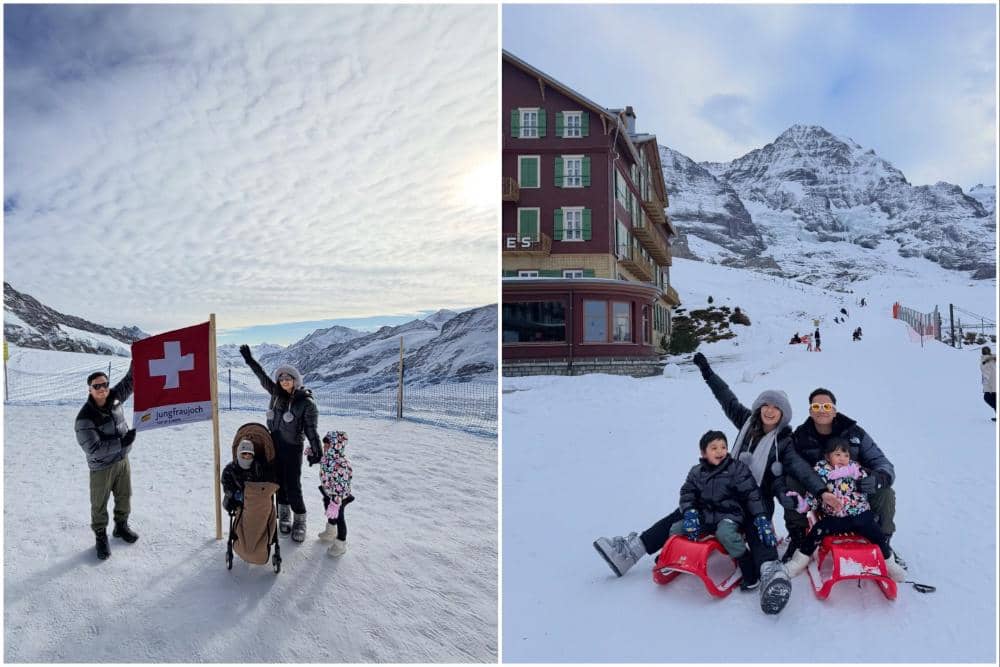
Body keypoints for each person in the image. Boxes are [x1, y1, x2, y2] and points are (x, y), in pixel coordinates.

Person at [593, 353, 841, 614]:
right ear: (759, 407)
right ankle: (630, 552)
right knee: (685, 511)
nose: (769, 410)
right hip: (724, 490)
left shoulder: (785, 443)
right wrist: (707, 372)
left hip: (758, 498)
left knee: (758, 527)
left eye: (776, 407)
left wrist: (822, 491)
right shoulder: (746, 421)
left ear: (782, 414)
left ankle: (770, 573)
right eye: (766, 404)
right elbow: (726, 398)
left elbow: (801, 470)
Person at [782, 388, 899, 566]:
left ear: (834, 409)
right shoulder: (801, 436)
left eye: (827, 405)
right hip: (820, 492)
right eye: (816, 406)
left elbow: (882, 463)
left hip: (854, 494)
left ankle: (883, 542)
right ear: (810, 411)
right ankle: (798, 537)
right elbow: (794, 465)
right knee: (790, 481)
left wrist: (877, 479)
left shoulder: (854, 433)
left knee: (886, 493)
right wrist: (818, 489)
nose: (822, 409)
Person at [783, 438, 907, 582]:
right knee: (817, 531)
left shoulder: (855, 470)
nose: (842, 458)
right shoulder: (821, 473)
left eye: (846, 455)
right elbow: (814, 494)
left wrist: (869, 479)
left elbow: (868, 480)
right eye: (837, 454)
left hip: (860, 514)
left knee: (878, 535)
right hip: (835, 517)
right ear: (827, 456)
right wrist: (805, 504)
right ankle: (799, 561)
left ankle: (890, 564)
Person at [668, 430, 774, 586]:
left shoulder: (736, 468)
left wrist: (760, 516)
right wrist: (690, 511)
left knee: (725, 534)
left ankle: (746, 564)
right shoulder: (696, 472)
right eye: (714, 448)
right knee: (676, 529)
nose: (720, 451)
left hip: (729, 515)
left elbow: (752, 493)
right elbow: (687, 492)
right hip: (705, 515)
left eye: (723, 447)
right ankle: (675, 558)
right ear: (704, 453)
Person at [239, 345, 322, 542]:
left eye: (288, 378)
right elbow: (262, 377)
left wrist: (316, 449)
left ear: (295, 381)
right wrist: (250, 360)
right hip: (273, 444)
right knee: (279, 484)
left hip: (292, 447)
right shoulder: (275, 394)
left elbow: (311, 429)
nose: (284, 381)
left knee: (293, 485)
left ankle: (300, 520)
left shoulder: (306, 403)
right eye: (282, 378)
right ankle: (284, 516)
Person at [74, 366, 138, 560]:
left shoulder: (115, 397)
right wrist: (121, 442)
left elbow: (130, 381)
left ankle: (121, 526)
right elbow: (93, 448)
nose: (102, 389)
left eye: (105, 384)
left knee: (124, 495)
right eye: (97, 386)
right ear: (90, 389)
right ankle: (101, 536)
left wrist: (137, 356)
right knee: (99, 504)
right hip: (101, 467)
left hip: (122, 460)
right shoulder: (84, 418)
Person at [317, 430, 355, 556]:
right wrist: (312, 453)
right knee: (329, 511)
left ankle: (341, 543)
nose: (324, 448)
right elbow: (322, 462)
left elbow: (341, 485)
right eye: (324, 446)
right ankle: (330, 532)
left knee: (339, 517)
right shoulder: (328, 458)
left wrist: (335, 502)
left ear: (335, 447)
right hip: (329, 493)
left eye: (327, 446)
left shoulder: (342, 464)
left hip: (339, 498)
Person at [221, 439, 278, 512]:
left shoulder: (259, 467)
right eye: (244, 453)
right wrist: (236, 494)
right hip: (238, 500)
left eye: (249, 453)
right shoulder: (230, 469)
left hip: (256, 500)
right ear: (239, 453)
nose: (247, 456)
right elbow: (226, 485)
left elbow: (267, 483)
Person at [982, 347, 997, 421]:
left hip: (993, 384)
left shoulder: (993, 359)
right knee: (992, 399)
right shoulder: (984, 360)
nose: (985, 352)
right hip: (989, 384)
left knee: (988, 398)